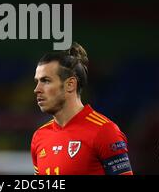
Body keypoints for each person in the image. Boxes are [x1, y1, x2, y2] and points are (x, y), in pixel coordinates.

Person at [31, 42, 133, 175]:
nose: (36, 89)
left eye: (46, 81)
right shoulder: (39, 137)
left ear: (70, 85)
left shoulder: (104, 131)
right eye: (37, 82)